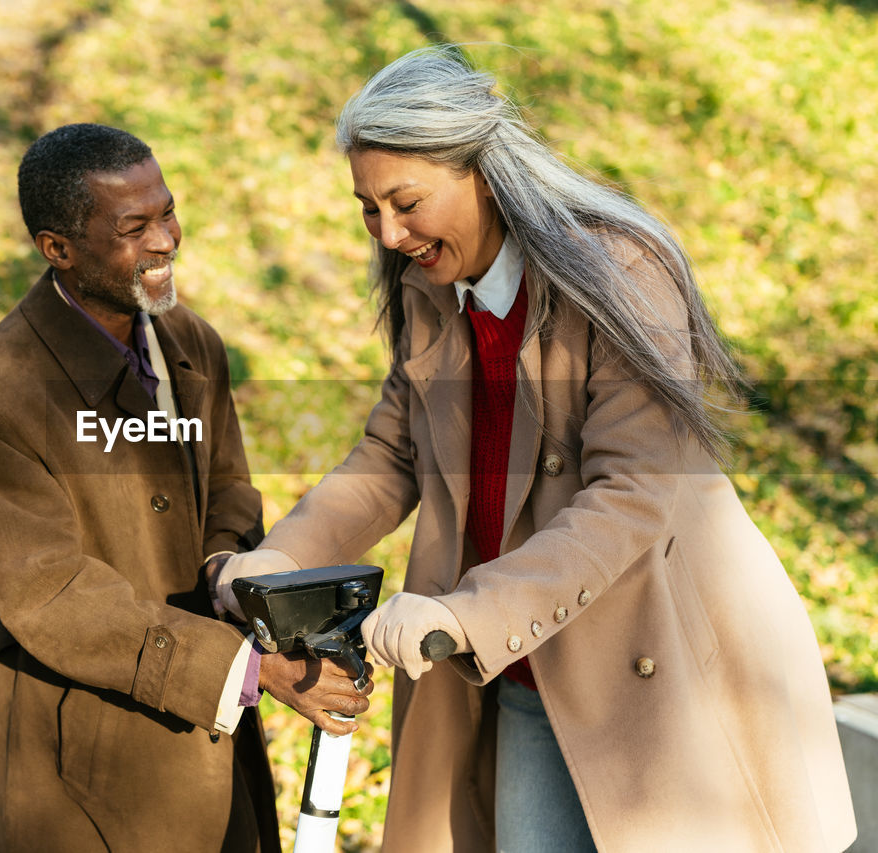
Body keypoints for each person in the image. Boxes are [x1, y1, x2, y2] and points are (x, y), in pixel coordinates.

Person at [217, 46, 856, 852]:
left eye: (406, 201)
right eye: (367, 207)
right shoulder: (430, 294)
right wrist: (279, 563)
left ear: (481, 168)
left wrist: (464, 612)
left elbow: (632, 494)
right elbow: (389, 456)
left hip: (662, 678)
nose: (387, 232)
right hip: (524, 672)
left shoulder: (617, 271)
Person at [0, 123, 371, 852]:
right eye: (134, 227)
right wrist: (253, 668)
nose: (166, 239)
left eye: (167, 212)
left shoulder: (192, 344)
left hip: (213, 742)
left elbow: (228, 487)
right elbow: (53, 597)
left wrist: (228, 569)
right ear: (57, 249)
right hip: (80, 765)